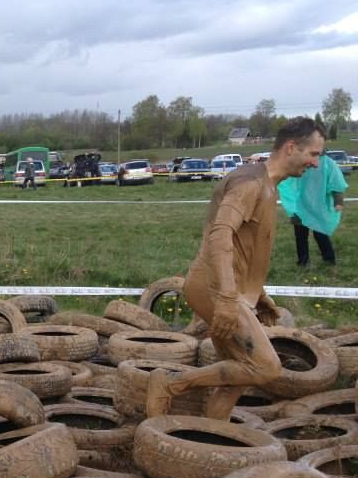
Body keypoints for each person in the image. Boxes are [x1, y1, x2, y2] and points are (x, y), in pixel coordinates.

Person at [146, 117, 326, 421]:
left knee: (237, 376)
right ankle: (171, 384)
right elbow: (220, 235)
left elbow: (245, 247)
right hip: (214, 288)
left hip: (227, 288)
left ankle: (214, 434)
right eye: (313, 154)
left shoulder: (267, 185)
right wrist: (228, 299)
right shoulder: (250, 184)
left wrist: (258, 294)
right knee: (266, 367)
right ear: (291, 147)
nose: (316, 163)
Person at [278, 152, 347, 266]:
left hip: (319, 206)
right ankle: (303, 261)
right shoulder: (298, 161)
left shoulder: (327, 163)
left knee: (321, 233)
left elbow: (335, 182)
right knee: (300, 235)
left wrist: (338, 201)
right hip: (300, 205)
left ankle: (329, 259)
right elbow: (287, 177)